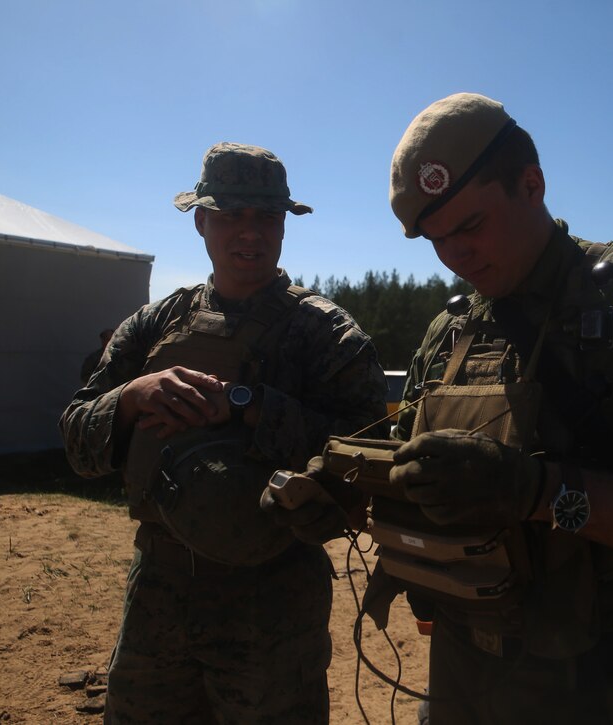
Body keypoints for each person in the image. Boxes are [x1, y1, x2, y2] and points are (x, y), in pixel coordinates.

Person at [278, 93, 613, 724]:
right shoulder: (451, 331)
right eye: (436, 240)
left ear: (532, 184)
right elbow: (424, 488)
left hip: (612, 686)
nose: (456, 256)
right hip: (464, 677)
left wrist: (542, 492)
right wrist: (349, 497)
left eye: (470, 226)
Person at [59, 142, 388, 724]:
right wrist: (134, 397)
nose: (250, 233)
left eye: (266, 217)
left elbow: (369, 456)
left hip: (274, 600)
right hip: (159, 586)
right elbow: (78, 442)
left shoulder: (326, 334)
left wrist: (251, 406)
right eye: (232, 216)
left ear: (284, 226)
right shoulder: (156, 325)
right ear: (202, 222)